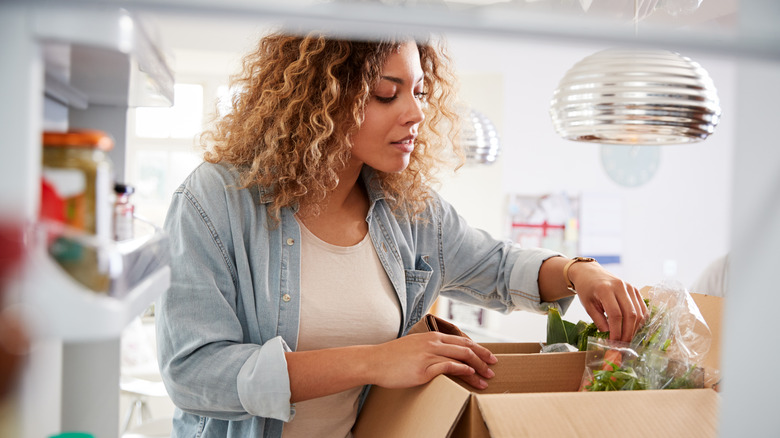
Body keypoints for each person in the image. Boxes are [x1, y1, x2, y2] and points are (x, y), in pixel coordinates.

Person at [156, 30, 648, 438]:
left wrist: (581, 273)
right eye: (387, 94)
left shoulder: (409, 212)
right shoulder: (216, 198)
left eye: (419, 93)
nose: (414, 114)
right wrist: (374, 362)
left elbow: (499, 266)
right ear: (319, 97)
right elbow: (193, 374)